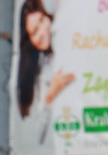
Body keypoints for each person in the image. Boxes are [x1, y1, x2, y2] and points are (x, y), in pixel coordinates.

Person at [16, 0, 75, 144]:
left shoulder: (72, 43)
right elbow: (37, 138)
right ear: (29, 39)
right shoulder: (39, 74)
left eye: (42, 20)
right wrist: (50, 95)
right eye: (34, 32)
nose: (42, 32)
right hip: (64, 139)